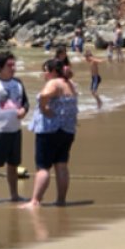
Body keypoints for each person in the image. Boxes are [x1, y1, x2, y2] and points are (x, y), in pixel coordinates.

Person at [22, 59, 78, 208]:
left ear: (53, 71)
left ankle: (35, 201)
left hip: (50, 130)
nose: (44, 73)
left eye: (46, 70)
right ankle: (61, 200)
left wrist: (43, 107)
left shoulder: (54, 83)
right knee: (61, 166)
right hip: (67, 130)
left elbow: (44, 95)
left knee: (43, 167)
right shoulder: (70, 84)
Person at [0, 51, 30, 205]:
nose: (13, 67)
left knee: (13, 165)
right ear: (0, 67)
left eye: (13, 64)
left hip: (15, 131)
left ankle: (14, 195)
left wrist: (24, 110)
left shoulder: (18, 82)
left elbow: (26, 102)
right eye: (9, 65)